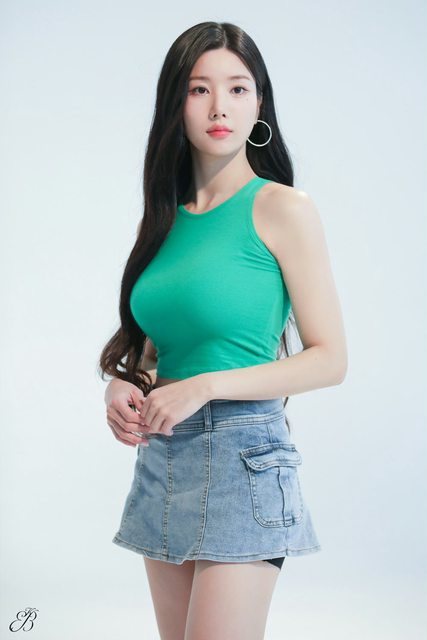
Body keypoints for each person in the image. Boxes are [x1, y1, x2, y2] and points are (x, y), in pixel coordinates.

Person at [98, 21, 347, 640]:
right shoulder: (161, 222)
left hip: (244, 459)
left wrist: (206, 385)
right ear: (175, 103)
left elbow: (330, 358)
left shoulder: (284, 208)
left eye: (238, 89)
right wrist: (125, 385)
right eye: (199, 89)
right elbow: (156, 351)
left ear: (259, 103)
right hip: (164, 457)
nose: (219, 107)